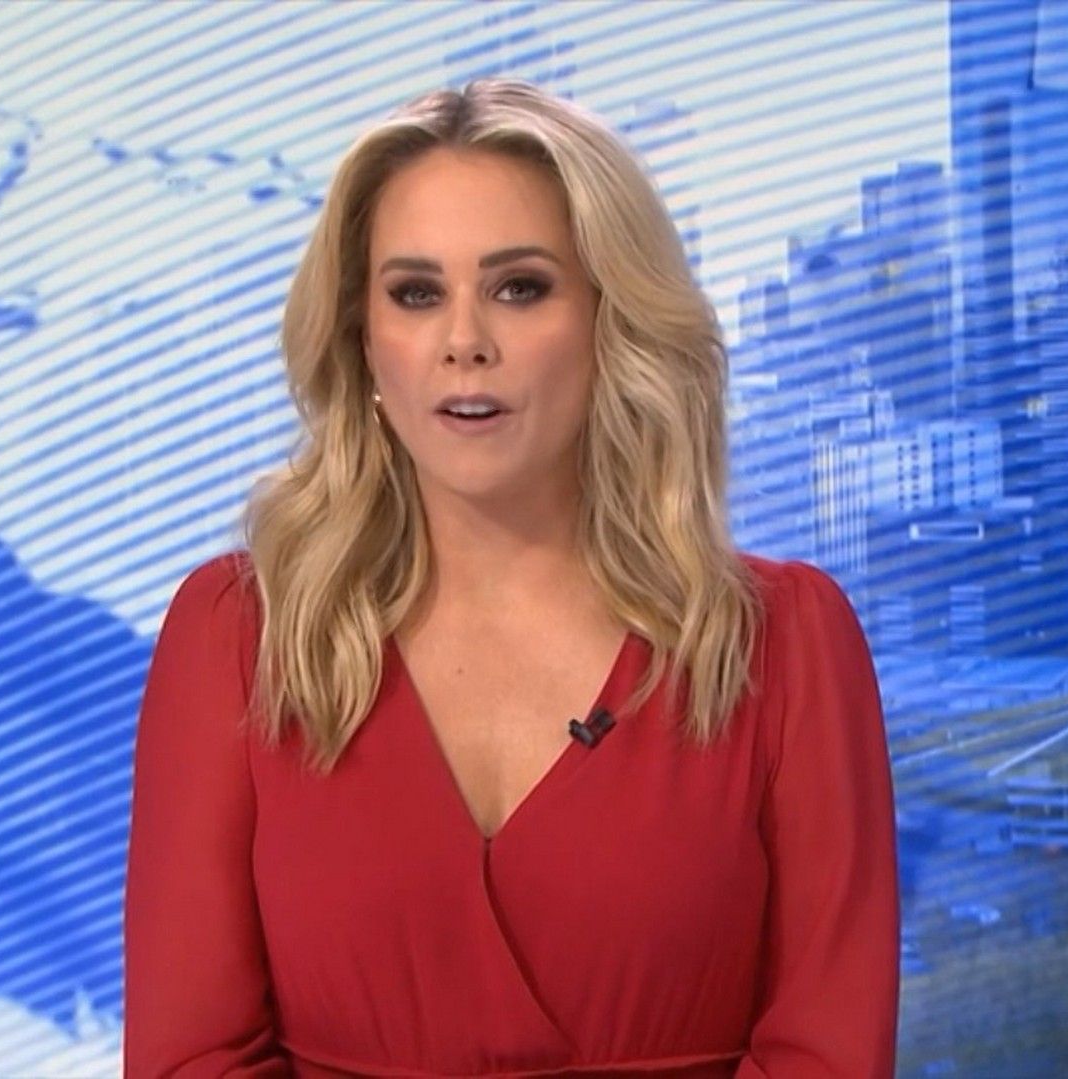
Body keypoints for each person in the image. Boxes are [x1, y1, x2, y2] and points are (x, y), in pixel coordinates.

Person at [124, 77, 898, 1078]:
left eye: (519, 287)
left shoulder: (785, 646)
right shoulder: (236, 637)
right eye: (416, 293)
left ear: (611, 321)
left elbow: (825, 1054)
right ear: (362, 339)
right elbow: (191, 1057)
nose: (464, 342)